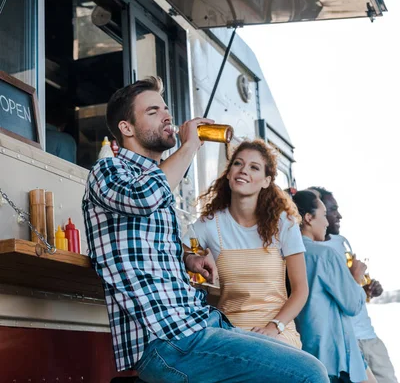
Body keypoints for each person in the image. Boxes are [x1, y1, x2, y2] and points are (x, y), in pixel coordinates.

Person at [82, 77, 329, 383]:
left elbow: (144, 248)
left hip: (199, 325)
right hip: (169, 340)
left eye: (166, 108)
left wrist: (188, 260)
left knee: (307, 364)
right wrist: (189, 146)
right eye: (153, 111)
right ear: (127, 128)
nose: (167, 116)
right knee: (310, 375)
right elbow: (144, 198)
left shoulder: (159, 182)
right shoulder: (108, 171)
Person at [184, 139, 307, 348]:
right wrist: (189, 258)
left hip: (277, 330)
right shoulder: (211, 223)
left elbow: (301, 291)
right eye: (238, 164)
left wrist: (273, 327)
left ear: (266, 181)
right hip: (230, 331)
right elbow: (173, 249)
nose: (243, 170)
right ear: (229, 173)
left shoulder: (283, 223)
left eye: (254, 167)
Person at [309, 187, 398, 383]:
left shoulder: (342, 243)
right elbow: (337, 298)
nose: (338, 215)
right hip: (345, 341)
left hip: (368, 335)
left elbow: (355, 284)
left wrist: (368, 288)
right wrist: (354, 279)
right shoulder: (313, 251)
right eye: (331, 210)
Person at [293, 190, 370, 383]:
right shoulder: (324, 255)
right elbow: (352, 305)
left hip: (301, 351)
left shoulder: (283, 254)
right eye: (323, 215)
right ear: (309, 218)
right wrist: (356, 277)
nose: (327, 222)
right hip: (334, 358)